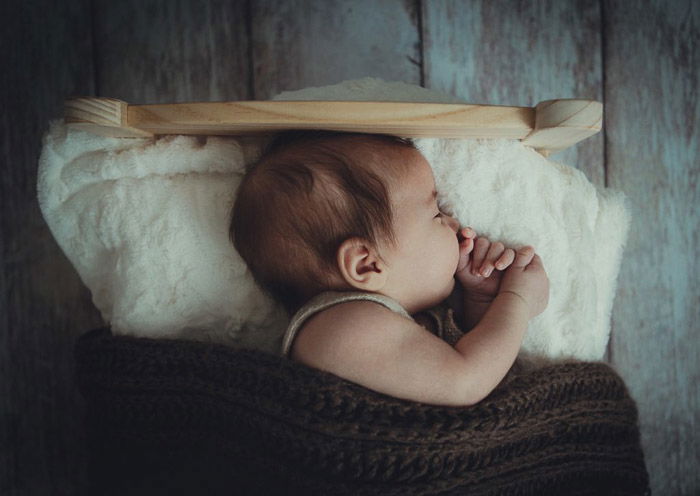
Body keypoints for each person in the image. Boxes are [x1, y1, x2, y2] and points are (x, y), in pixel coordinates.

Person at [230, 130, 549, 406]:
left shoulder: (391, 321)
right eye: (436, 214)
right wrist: (516, 302)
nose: (454, 222)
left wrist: (481, 301)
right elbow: (465, 382)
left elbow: (480, 370)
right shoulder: (341, 328)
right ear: (366, 264)